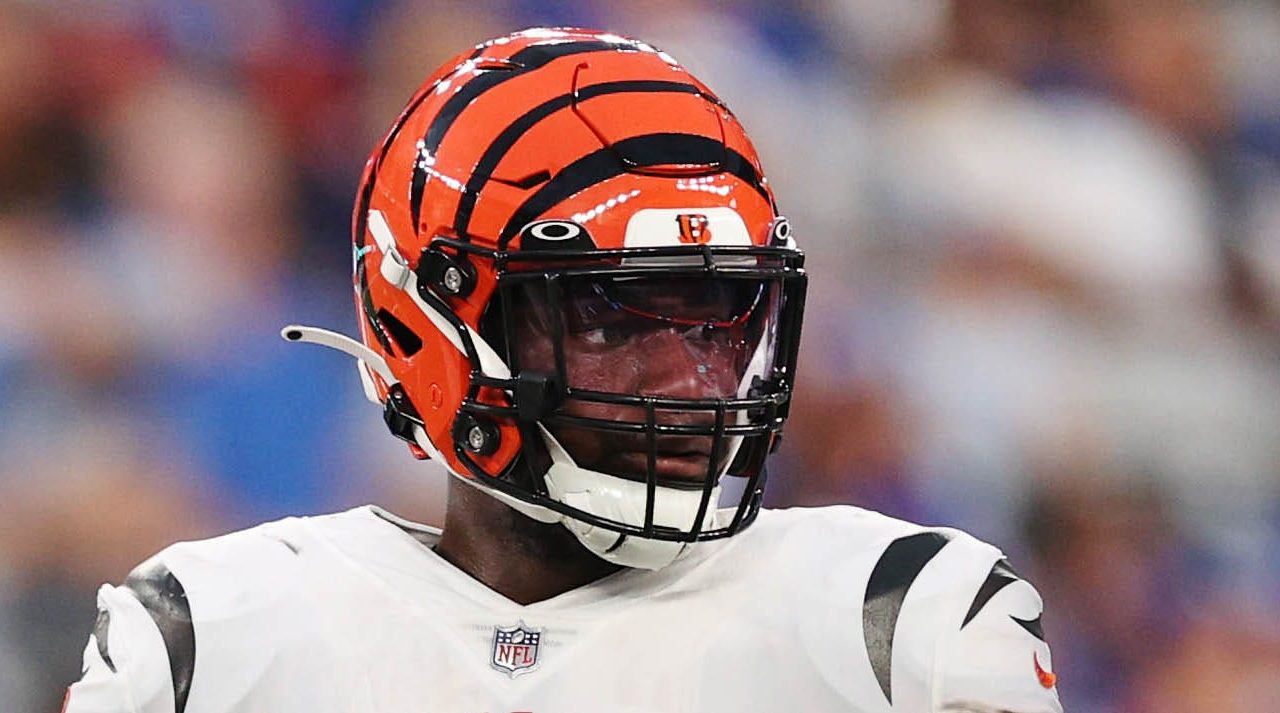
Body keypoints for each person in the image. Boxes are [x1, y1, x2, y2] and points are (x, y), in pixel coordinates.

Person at [65, 28, 1063, 713]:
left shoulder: (900, 621)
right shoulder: (206, 638)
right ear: (431, 325)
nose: (690, 377)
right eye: (611, 318)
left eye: (718, 314)